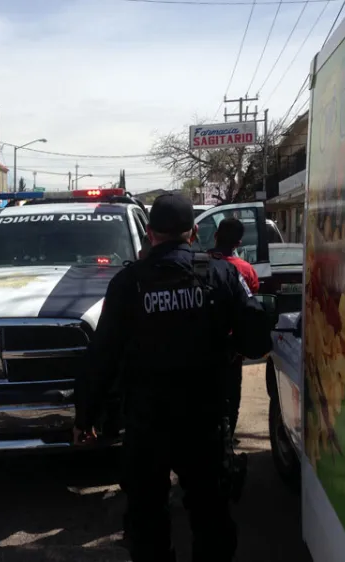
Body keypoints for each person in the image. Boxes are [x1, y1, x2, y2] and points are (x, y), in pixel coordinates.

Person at [73, 193, 273, 562]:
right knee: (210, 514)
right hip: (203, 419)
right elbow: (257, 337)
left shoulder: (128, 282)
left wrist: (86, 416)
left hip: (147, 422)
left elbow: (102, 355)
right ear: (194, 233)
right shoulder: (220, 273)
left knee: (147, 518)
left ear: (149, 234)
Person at [208, 217, 260, 440]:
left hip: (203, 341)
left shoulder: (200, 264)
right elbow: (251, 305)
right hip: (232, 345)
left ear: (215, 236)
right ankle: (228, 436)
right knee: (232, 392)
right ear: (238, 244)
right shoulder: (245, 270)